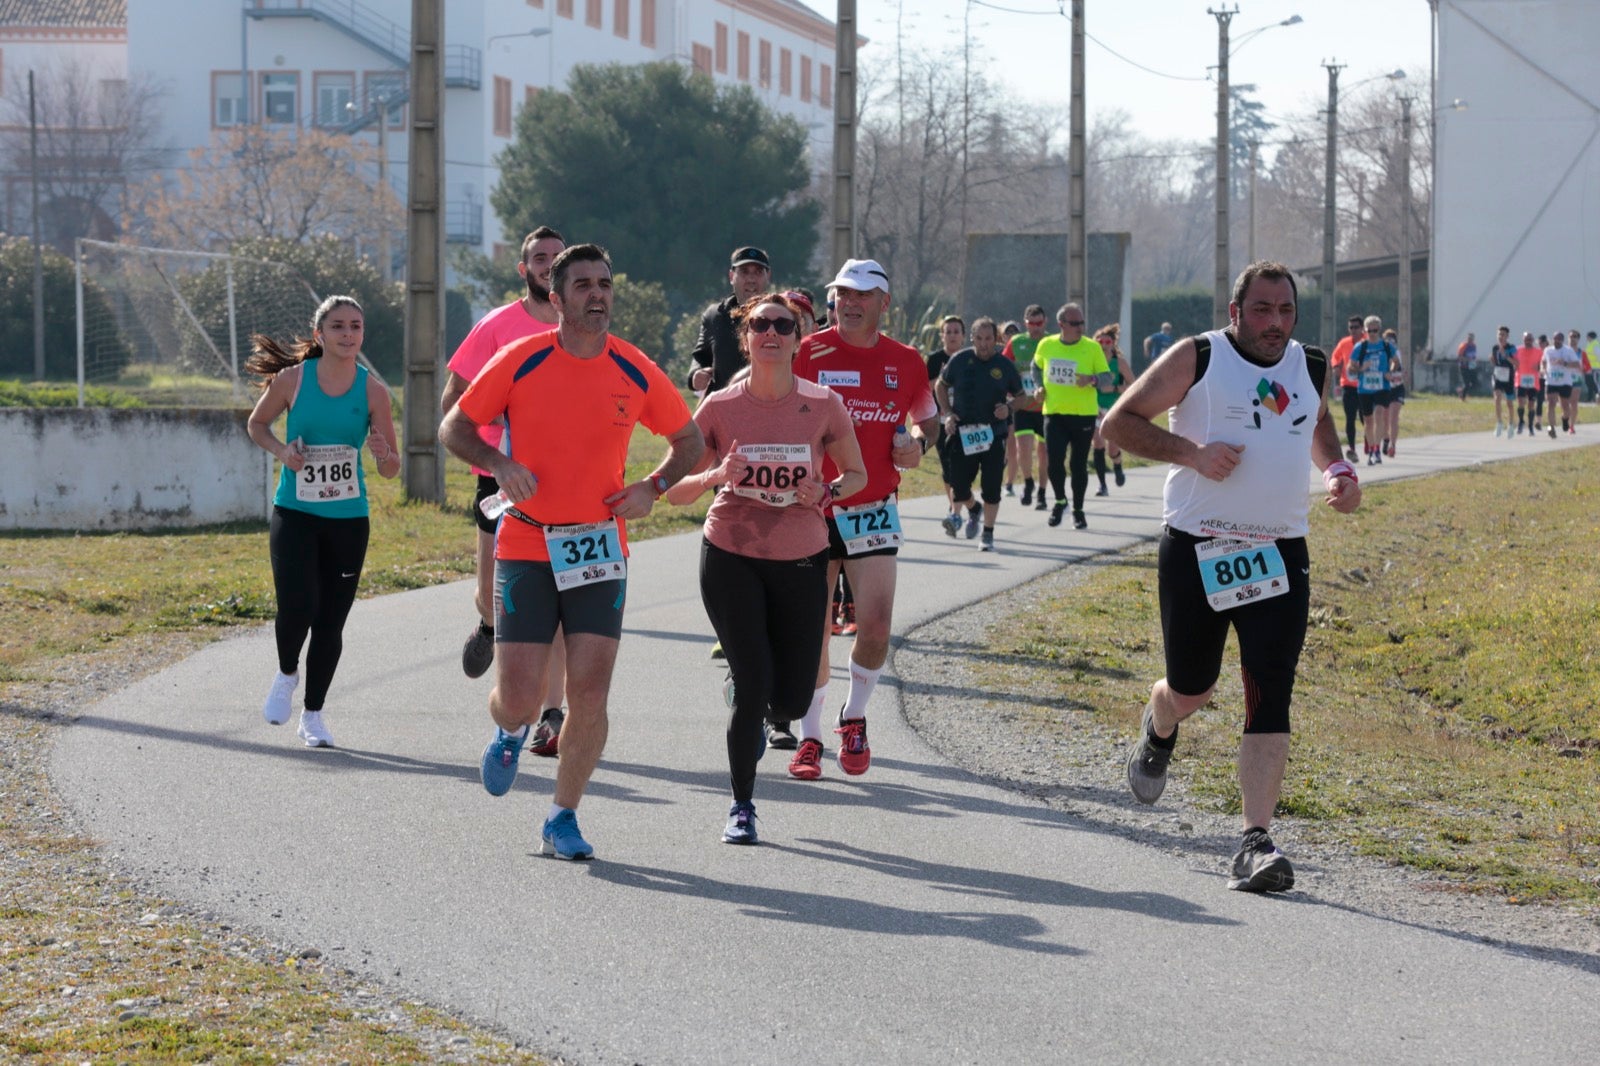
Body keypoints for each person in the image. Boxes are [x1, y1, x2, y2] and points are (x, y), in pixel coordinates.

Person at [1101, 260, 1361, 894]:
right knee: (1192, 689)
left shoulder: (1312, 364)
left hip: (1279, 552)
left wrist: (1337, 470)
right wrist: (1192, 454)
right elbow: (1119, 424)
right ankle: (1160, 724)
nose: (1275, 323)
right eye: (1263, 310)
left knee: (1270, 692)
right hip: (1198, 547)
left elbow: (1314, 420)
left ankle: (1254, 842)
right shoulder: (1200, 359)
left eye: (1286, 311)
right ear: (1235, 311)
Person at [439, 244, 703, 861]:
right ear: (555, 298)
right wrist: (499, 463)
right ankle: (509, 731)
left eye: (605, 283)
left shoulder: (634, 368)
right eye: (582, 284)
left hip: (598, 546)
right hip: (528, 541)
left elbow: (687, 438)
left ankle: (563, 816)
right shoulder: (520, 358)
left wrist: (654, 486)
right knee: (522, 697)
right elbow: (455, 425)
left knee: (590, 692)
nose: (597, 294)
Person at [665, 292, 866, 843]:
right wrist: (714, 476)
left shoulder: (823, 403)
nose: (771, 333)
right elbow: (674, 489)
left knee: (793, 700)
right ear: (745, 337)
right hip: (730, 552)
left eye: (784, 324)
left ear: (800, 338)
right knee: (755, 685)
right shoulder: (720, 408)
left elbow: (858, 475)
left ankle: (751, 695)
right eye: (760, 325)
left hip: (801, 556)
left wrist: (822, 490)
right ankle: (742, 805)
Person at [789, 258, 937, 780]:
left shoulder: (907, 360)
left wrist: (917, 444)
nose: (848, 304)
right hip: (813, 507)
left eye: (860, 296)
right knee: (814, 631)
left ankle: (854, 719)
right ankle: (809, 736)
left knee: (874, 624)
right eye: (841, 294)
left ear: (883, 304)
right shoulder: (808, 352)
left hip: (874, 508)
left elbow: (927, 418)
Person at [246, 296, 401, 748]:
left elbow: (391, 468)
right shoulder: (293, 379)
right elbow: (257, 425)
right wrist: (283, 454)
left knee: (331, 621)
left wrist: (382, 454)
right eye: (338, 326)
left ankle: (312, 716)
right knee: (297, 606)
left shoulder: (373, 391)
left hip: (348, 520)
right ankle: (286, 673)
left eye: (356, 326)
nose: (348, 334)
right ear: (320, 334)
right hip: (295, 513)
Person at [441, 226, 571, 757]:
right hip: (500, 478)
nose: (547, 265)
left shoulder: (581, 328)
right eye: (538, 258)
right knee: (494, 593)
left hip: (566, 483)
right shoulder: (497, 325)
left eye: (556, 258)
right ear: (524, 270)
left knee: (564, 594)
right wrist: (505, 416)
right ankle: (489, 623)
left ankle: (553, 712)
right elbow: (455, 400)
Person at [936, 316, 1024, 551]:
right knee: (959, 485)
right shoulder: (960, 360)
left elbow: (1022, 395)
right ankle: (973, 509)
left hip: (993, 434)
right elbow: (940, 385)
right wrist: (948, 413)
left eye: (988, 339)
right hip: (964, 432)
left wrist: (1009, 408)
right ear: (972, 338)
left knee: (991, 486)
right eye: (979, 339)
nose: (984, 344)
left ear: (995, 339)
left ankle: (988, 533)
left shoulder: (1004, 365)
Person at [1031, 302, 1112, 529]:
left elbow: (1107, 380)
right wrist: (1038, 387)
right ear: (1061, 325)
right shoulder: (1046, 345)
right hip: (1054, 412)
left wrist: (1092, 380)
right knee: (1054, 461)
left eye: (1082, 322)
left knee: (1078, 465)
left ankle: (1078, 509)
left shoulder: (1092, 348)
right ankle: (1059, 500)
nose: (1080, 327)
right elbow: (1035, 367)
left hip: (1083, 415)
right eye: (1075, 323)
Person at [688, 246, 772, 396]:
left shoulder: (781, 316)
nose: (751, 279)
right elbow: (701, 356)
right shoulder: (715, 315)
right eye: (744, 272)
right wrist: (696, 373)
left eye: (758, 272)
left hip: (768, 405)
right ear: (731, 276)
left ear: (768, 276)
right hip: (722, 408)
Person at [928, 315, 981, 538]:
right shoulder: (934, 359)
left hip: (966, 424)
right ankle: (965, 509)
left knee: (961, 472)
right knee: (948, 472)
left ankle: (956, 513)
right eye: (948, 332)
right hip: (941, 423)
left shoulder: (972, 358)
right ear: (942, 336)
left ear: (963, 336)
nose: (952, 335)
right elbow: (929, 388)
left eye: (956, 331)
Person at [1003, 304, 1051, 511]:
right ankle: (1028, 481)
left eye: (1039, 323)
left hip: (1046, 407)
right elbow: (1003, 366)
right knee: (1023, 449)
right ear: (1025, 323)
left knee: (1044, 453)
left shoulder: (1051, 343)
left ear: (1045, 322)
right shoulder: (1017, 342)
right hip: (1022, 405)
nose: (1036, 328)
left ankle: (1041, 492)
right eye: (1032, 324)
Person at [1091, 323, 1135, 496]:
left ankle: (1117, 465)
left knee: (1112, 449)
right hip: (1094, 408)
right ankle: (1102, 485)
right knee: (1098, 443)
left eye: (1107, 341)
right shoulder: (1092, 362)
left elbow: (1134, 385)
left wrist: (1116, 389)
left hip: (1114, 409)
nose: (1103, 345)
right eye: (1100, 341)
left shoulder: (1119, 363)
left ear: (1113, 343)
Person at [1350, 314, 1393, 465]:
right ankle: (1372, 448)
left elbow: (1396, 362)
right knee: (1368, 421)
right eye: (1370, 330)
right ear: (1366, 331)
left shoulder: (1387, 346)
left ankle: (1377, 449)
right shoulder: (1360, 347)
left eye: (1376, 330)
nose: (1373, 333)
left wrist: (1391, 372)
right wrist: (1362, 368)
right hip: (1365, 388)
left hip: (1382, 386)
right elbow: (1351, 366)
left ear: (1379, 330)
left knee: (1379, 414)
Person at [1327, 315, 1365, 462]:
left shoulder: (1367, 342)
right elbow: (1335, 356)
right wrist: (1336, 366)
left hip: (1365, 387)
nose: (1353, 330)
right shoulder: (1344, 343)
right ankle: (1352, 449)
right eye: (1351, 327)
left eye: (1356, 327)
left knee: (1364, 417)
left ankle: (1370, 441)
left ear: (1362, 328)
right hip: (1348, 386)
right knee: (1350, 418)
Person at [1542, 329, 1582, 437]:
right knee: (1551, 403)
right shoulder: (1548, 350)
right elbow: (1544, 361)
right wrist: (1543, 370)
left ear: (1563, 340)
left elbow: (1576, 365)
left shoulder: (1568, 351)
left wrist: (1564, 363)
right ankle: (1551, 427)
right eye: (1555, 339)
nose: (1557, 341)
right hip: (1551, 381)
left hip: (1565, 382)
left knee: (1565, 406)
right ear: (1552, 339)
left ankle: (1565, 419)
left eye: (1559, 339)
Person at [1380, 327, 1406, 458]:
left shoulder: (1397, 353)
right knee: (1385, 418)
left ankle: (1393, 446)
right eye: (1387, 340)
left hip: (1397, 388)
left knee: (1394, 417)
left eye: (1392, 340)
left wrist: (1396, 374)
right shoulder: (1380, 353)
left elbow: (1401, 371)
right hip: (1385, 389)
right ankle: (1386, 440)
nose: (1390, 343)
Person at [1513, 331, 1544, 436]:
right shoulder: (1517, 350)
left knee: (1531, 404)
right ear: (1523, 340)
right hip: (1520, 379)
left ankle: (1530, 425)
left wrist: (1539, 367)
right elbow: (1512, 361)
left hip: (1533, 381)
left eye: (1530, 339)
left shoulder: (1538, 352)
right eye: (1526, 339)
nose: (1528, 341)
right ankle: (1521, 421)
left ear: (1533, 340)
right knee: (1521, 402)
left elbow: (1544, 365)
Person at [1489, 325, 1517, 437]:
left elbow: (1517, 363)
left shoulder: (1512, 348)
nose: (1501, 337)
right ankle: (1499, 423)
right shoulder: (1495, 348)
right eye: (1499, 334)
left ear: (1507, 336)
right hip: (1498, 375)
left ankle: (1511, 424)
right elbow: (1496, 362)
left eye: (1503, 335)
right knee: (1497, 397)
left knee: (1509, 403)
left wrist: (1506, 356)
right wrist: (1492, 360)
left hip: (1508, 377)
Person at [1456, 332, 1478, 400]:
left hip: (1471, 367)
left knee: (1475, 384)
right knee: (1467, 384)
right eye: (1469, 338)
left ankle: (1461, 391)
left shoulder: (1474, 346)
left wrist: (1475, 361)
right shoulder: (1463, 346)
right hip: (1464, 367)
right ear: (1467, 338)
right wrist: (1468, 359)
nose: (1470, 339)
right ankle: (1463, 397)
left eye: (1471, 338)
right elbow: (1459, 357)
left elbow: (1473, 356)